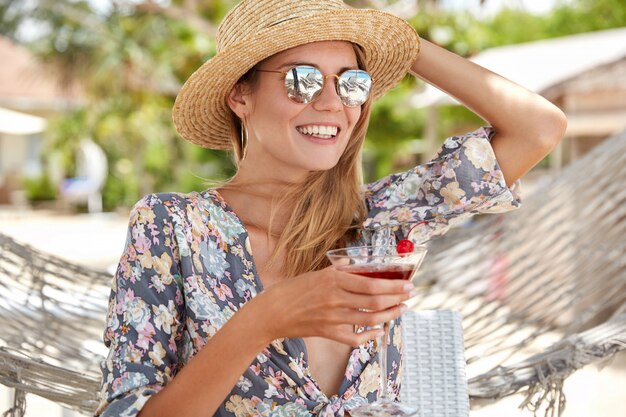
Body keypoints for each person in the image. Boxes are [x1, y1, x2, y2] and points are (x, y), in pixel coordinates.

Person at [95, 0, 567, 416]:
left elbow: (538, 127)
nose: (330, 103)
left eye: (351, 83)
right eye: (302, 80)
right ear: (240, 95)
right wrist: (262, 320)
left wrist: (394, 39)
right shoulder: (171, 228)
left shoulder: (381, 221)